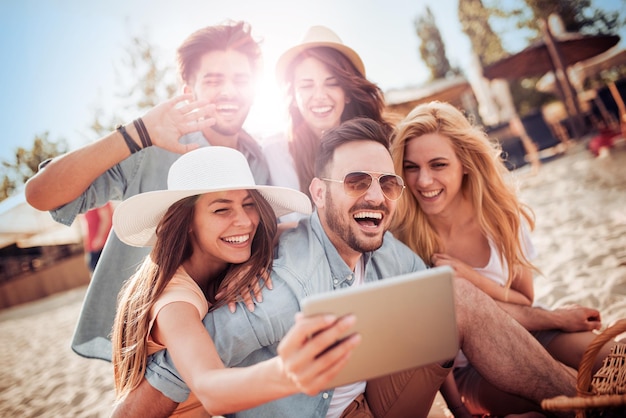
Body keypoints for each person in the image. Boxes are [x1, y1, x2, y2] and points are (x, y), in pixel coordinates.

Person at [116, 118, 577, 418]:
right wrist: (291, 372)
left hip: (371, 403)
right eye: (356, 182)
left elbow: (473, 310)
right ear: (318, 193)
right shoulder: (271, 289)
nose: (376, 196)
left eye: (388, 184)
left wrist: (552, 318)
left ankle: (580, 403)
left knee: (446, 293)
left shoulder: (387, 251)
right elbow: (173, 380)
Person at [24, 21, 270, 361]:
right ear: (189, 90)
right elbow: (41, 194)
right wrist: (136, 134)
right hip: (148, 341)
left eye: (240, 80)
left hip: (222, 334)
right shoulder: (152, 147)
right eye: (213, 80)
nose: (228, 91)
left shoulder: (258, 161)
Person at [389, 101, 620, 416]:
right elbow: (430, 346)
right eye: (411, 167)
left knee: (614, 361)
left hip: (530, 328)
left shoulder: (502, 217)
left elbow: (524, 300)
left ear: (465, 163)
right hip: (469, 369)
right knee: (560, 403)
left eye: (438, 164)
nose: (423, 181)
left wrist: (471, 279)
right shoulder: (403, 241)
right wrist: (458, 409)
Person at [111, 146, 341, 416]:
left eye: (248, 204)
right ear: (187, 222)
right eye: (222, 210)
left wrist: (255, 260)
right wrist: (287, 371)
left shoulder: (224, 255)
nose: (244, 221)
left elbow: (301, 230)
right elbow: (211, 389)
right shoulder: (175, 301)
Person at [262, 25, 393, 203]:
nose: (320, 96)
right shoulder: (274, 152)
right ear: (293, 95)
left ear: (347, 93)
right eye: (307, 86)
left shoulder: (381, 146)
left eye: (332, 83)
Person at [81, 201, 113, 273]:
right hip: (92, 247)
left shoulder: (99, 200)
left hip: (101, 246)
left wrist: (100, 238)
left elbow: (106, 219)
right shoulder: (85, 205)